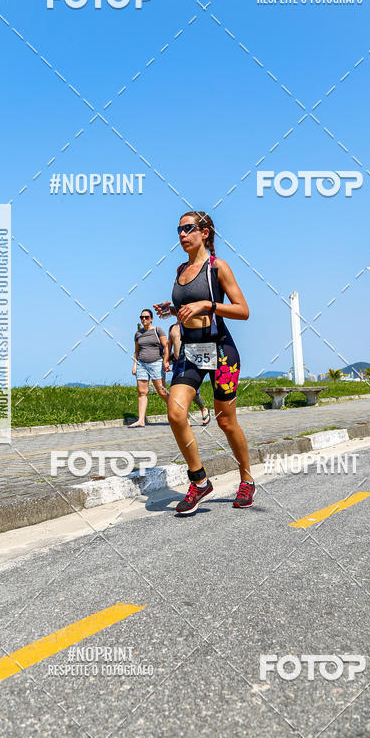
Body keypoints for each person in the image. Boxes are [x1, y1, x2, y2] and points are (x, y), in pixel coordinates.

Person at [154, 211, 254, 513]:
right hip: (191, 351)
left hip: (220, 349)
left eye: (188, 228)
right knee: (175, 413)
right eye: (179, 230)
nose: (182, 234)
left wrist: (207, 304)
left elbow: (243, 310)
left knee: (225, 421)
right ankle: (199, 482)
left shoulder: (217, 267)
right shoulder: (180, 269)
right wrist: (173, 310)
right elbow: (190, 308)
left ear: (205, 232)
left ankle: (247, 480)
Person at [130, 309, 169, 427]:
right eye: (142, 317)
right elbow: (136, 351)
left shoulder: (158, 330)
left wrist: (165, 361)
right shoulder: (138, 334)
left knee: (162, 391)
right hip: (142, 364)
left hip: (156, 363)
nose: (144, 319)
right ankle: (141, 420)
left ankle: (180, 414)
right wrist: (134, 365)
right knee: (142, 392)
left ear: (151, 319)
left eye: (146, 317)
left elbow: (166, 347)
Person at [168, 321, 210, 426]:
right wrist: (166, 361)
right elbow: (169, 346)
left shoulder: (191, 328)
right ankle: (185, 417)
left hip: (190, 363)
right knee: (180, 394)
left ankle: (203, 409)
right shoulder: (173, 328)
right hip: (178, 365)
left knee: (194, 393)